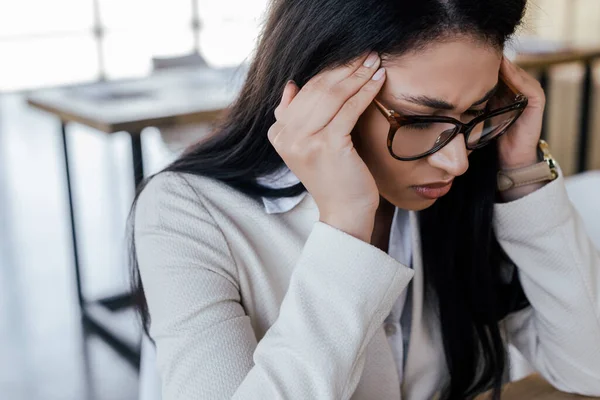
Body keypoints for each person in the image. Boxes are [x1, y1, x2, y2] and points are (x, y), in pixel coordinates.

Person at [130, 0, 600, 399]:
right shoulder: (186, 213)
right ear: (318, 93)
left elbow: (589, 365)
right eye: (418, 119)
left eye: (477, 111)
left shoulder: (472, 174)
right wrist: (346, 227)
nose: (456, 161)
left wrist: (524, 174)